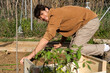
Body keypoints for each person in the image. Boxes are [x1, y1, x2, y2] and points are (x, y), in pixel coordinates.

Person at [20, 4, 110, 64]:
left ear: (47, 9)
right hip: (83, 23)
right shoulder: (55, 15)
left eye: (42, 14)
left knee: (75, 49)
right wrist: (61, 43)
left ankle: (106, 49)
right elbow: (66, 28)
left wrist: (30, 56)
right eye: (40, 17)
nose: (43, 18)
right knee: (72, 50)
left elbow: (46, 38)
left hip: (89, 21)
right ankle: (102, 52)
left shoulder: (54, 15)